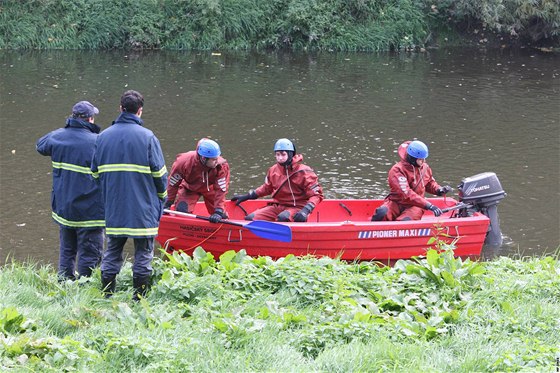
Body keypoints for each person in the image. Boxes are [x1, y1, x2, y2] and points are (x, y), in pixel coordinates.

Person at [91, 90, 168, 299]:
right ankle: (139, 297)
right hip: (143, 207)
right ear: (140, 111)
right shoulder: (148, 137)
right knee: (143, 252)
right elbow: (160, 175)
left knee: (112, 250)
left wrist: (109, 191)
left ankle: (107, 294)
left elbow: (95, 173)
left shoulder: (103, 137)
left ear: (120, 108)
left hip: (115, 205)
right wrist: (162, 196)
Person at [36, 101, 105, 280]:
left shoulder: (57, 137)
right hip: (90, 212)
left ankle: (64, 284)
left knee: (67, 251)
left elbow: (40, 145)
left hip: (64, 209)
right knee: (90, 253)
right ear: (90, 119)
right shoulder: (98, 142)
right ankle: (86, 288)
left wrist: (64, 129)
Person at [231, 138, 324, 222]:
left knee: (283, 218)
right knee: (250, 218)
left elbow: (317, 195)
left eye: (283, 154)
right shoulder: (273, 170)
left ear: (291, 154)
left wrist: (306, 210)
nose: (280, 158)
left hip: (298, 207)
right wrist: (248, 196)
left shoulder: (304, 172)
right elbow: (267, 188)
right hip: (278, 206)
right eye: (277, 154)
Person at [371, 140, 452, 221]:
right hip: (396, 202)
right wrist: (429, 205)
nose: (423, 161)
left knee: (405, 221)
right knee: (381, 214)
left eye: (424, 159)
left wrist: (439, 190)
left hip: (416, 205)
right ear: (412, 159)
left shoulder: (425, 168)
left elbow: (429, 183)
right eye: (420, 159)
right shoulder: (397, 170)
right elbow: (406, 194)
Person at [164, 138, 230, 223]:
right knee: (182, 212)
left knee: (221, 217)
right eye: (213, 159)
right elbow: (173, 184)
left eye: (217, 158)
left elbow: (221, 189)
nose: (217, 161)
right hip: (189, 188)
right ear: (203, 158)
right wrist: (167, 203)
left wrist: (219, 211)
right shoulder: (183, 162)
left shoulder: (221, 166)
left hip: (211, 189)